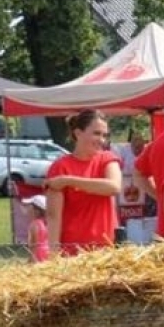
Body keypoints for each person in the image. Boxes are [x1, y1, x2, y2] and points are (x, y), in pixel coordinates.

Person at [45, 109, 122, 255]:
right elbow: (53, 216)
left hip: (106, 251)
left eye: (104, 135)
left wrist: (68, 181)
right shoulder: (60, 167)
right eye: (96, 133)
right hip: (73, 251)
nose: (102, 140)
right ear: (78, 133)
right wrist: (53, 254)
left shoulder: (107, 159)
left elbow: (114, 187)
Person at [24, 194, 50, 263]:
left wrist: (30, 262)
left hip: (38, 256)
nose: (27, 208)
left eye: (29, 206)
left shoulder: (34, 225)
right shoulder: (47, 223)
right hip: (48, 254)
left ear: (36, 210)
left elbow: (33, 246)